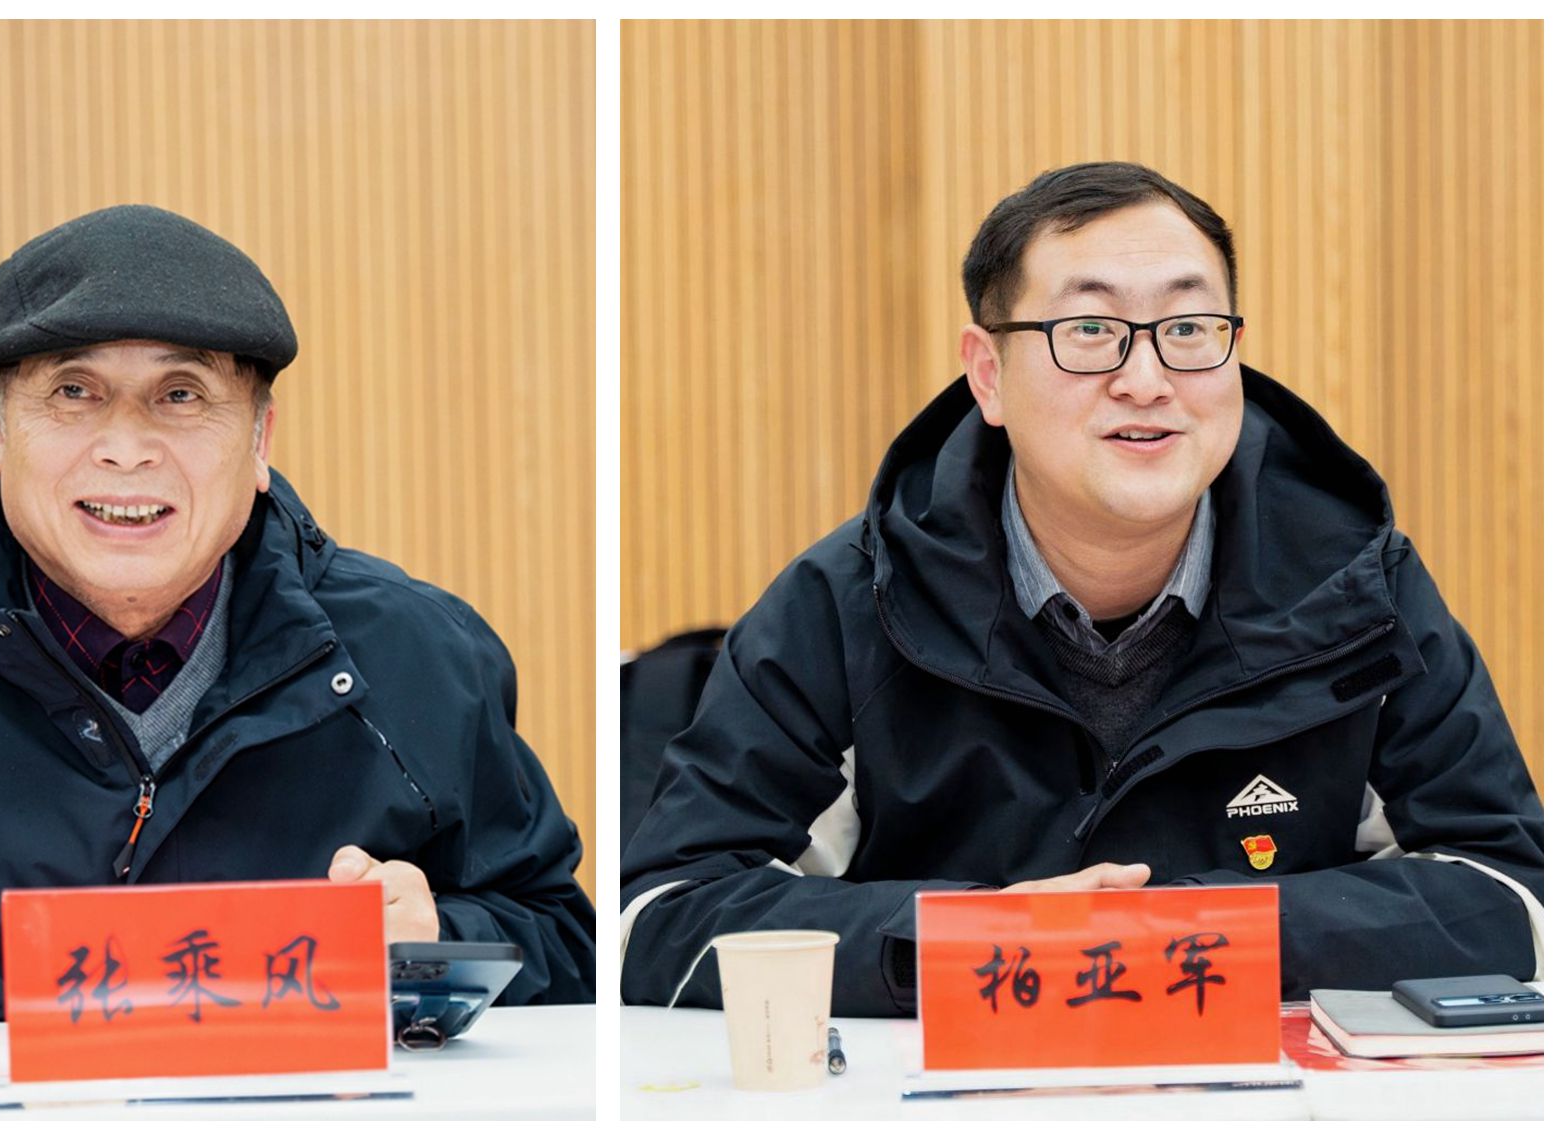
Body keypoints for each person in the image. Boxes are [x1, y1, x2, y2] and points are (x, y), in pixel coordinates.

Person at [619, 162, 1543, 1016]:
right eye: (1090, 332)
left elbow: (1515, 891)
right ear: (989, 375)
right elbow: (665, 917)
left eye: (1188, 329)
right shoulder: (850, 601)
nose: (1146, 380)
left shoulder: (1355, 587)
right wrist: (985, 942)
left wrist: (1187, 937)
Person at [0, 205, 595, 1038]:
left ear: (260, 442)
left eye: (180, 395)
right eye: (73, 392)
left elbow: (564, 944)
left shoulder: (421, 660)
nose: (125, 448)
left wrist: (436, 947)